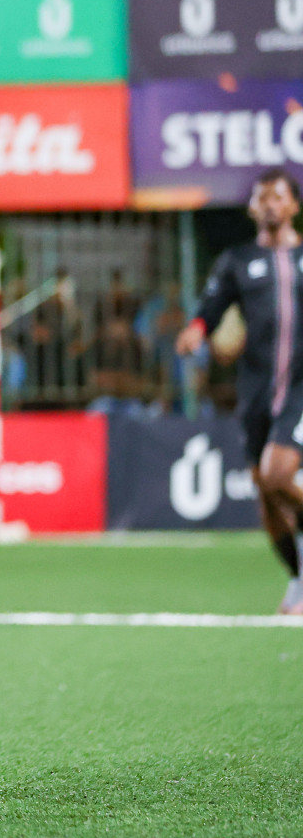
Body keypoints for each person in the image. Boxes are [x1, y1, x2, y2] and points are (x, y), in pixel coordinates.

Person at [176, 168, 303, 615]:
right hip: (255, 391)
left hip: (301, 390)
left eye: (278, 196)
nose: (269, 204)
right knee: (267, 494)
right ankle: (297, 579)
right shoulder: (236, 260)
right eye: (262, 197)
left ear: (293, 206)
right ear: (252, 208)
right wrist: (196, 330)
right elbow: (211, 307)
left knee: (278, 474)